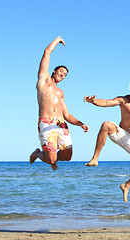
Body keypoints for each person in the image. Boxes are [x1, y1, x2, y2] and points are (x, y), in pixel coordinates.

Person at [29, 36, 89, 171]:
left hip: (61, 123)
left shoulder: (60, 92)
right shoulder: (43, 80)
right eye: (61, 71)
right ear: (54, 71)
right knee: (51, 159)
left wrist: (80, 124)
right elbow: (46, 52)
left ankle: (52, 157)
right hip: (46, 122)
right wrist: (57, 40)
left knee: (68, 156)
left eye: (65, 74)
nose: (63, 74)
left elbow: (67, 114)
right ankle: (39, 154)